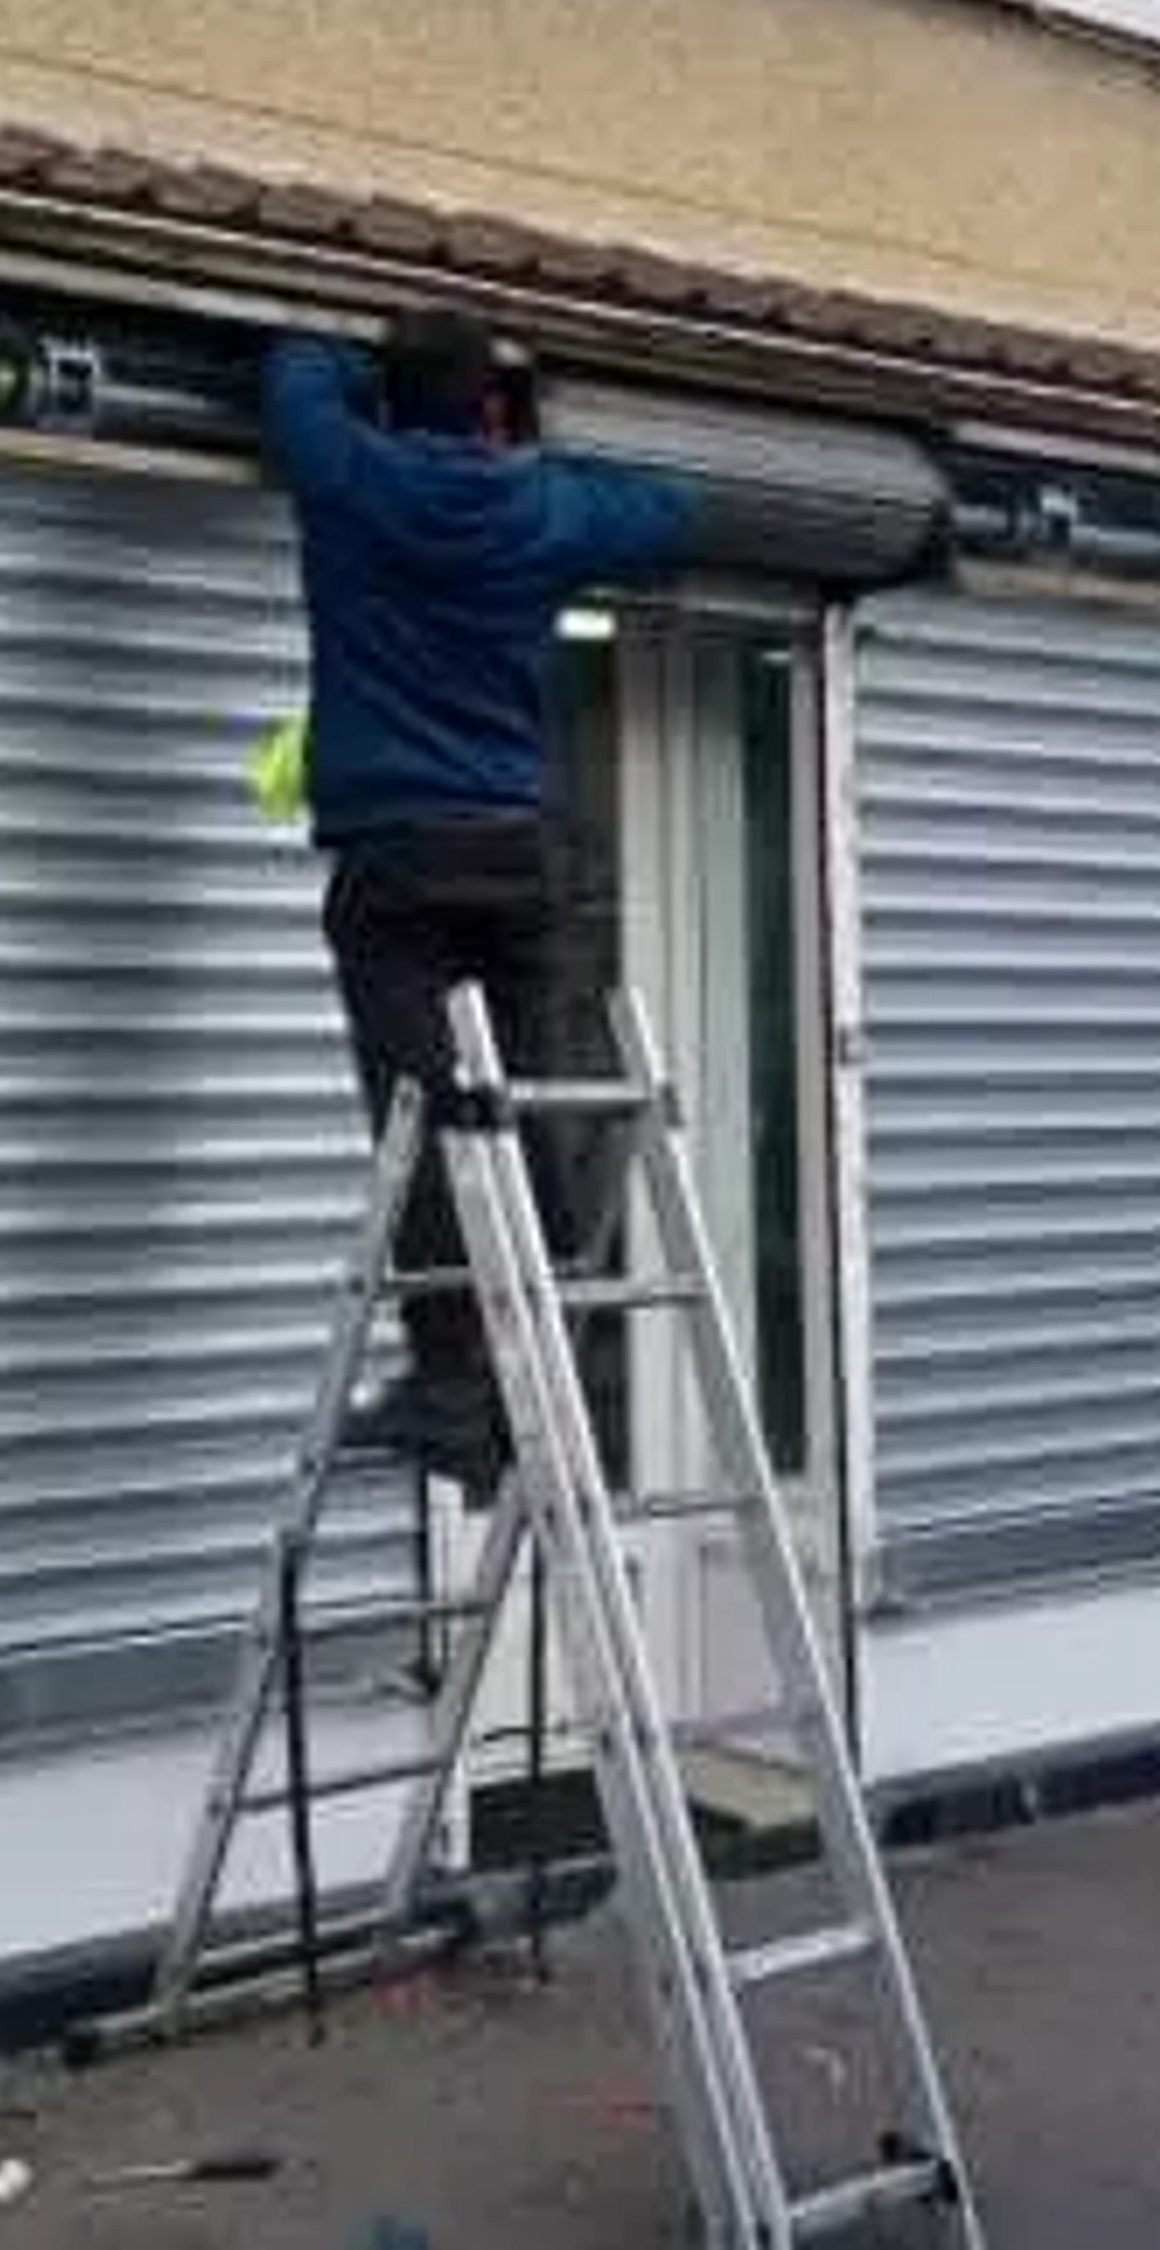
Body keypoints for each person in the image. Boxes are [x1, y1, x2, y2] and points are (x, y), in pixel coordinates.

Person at [260, 316, 698, 1496]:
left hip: (396, 865)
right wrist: (543, 450)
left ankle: (457, 1393)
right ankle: (541, 1368)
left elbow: (292, 376)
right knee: (516, 1106)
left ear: (395, 407)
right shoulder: (538, 505)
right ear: (492, 414)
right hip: (515, 861)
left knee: (421, 1121)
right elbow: (670, 515)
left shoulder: (354, 474)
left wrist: (355, 372)